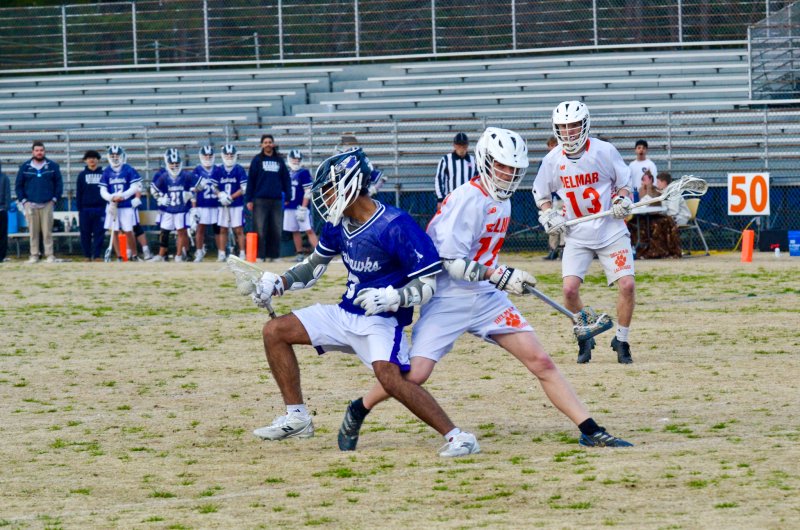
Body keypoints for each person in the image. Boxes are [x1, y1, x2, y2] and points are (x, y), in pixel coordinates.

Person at [337, 128, 632, 453]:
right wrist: (501, 274)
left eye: (514, 169)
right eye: (502, 166)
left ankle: (590, 429)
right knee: (416, 374)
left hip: (485, 295)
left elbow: (480, 256)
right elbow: (446, 260)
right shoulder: (467, 199)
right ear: (486, 161)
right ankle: (359, 407)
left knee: (541, 362)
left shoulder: (500, 201)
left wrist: (498, 276)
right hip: (449, 297)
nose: (508, 174)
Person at [248, 147, 480, 458]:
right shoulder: (337, 223)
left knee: (389, 377)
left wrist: (393, 297)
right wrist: (279, 282)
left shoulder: (396, 224)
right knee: (274, 331)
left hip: (381, 319)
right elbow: (313, 266)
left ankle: (457, 436)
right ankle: (297, 417)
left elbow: (428, 283)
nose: (325, 198)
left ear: (350, 184)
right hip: (346, 312)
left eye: (329, 190)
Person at [533, 101, 636, 365]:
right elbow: (540, 194)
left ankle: (621, 340)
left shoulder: (604, 151)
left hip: (610, 229)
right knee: (568, 290)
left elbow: (625, 184)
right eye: (563, 127)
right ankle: (585, 330)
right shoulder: (553, 160)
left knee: (627, 284)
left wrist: (621, 200)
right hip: (576, 232)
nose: (568, 132)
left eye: (573, 125)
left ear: (585, 124)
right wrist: (548, 213)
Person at [15, 141, 64, 263]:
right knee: (33, 232)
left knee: (47, 231)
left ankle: (49, 255)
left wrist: (54, 199)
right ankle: (34, 255)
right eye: (37, 150)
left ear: (44, 151)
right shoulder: (25, 167)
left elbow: (59, 184)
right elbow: (18, 186)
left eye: (41, 150)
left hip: (47, 203)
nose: (39, 152)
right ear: (32, 152)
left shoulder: (52, 166)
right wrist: (24, 201)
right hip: (30, 204)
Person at [246, 134, 290, 261]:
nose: (268, 144)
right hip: (260, 199)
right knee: (260, 229)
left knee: (276, 229)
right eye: (265, 142)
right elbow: (251, 181)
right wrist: (249, 199)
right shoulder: (257, 160)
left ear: (273, 144)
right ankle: (260, 256)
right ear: (261, 145)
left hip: (276, 199)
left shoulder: (279, 160)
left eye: (270, 142)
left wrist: (288, 195)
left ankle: (274, 255)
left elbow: (286, 179)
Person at [149, 148, 193, 262]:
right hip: (167, 208)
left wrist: (190, 194)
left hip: (181, 208)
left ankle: (181, 254)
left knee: (181, 231)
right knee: (164, 231)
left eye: (176, 163)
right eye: (171, 163)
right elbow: (153, 189)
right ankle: (162, 254)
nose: (174, 165)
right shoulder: (163, 175)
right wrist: (160, 199)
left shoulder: (185, 175)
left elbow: (200, 185)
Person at [99, 145, 141, 261]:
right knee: (114, 231)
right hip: (113, 205)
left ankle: (134, 255)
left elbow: (134, 187)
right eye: (112, 155)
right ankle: (119, 256)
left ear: (121, 156)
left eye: (117, 155)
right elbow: (102, 190)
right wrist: (111, 198)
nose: (115, 158)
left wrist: (122, 196)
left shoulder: (128, 169)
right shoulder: (107, 171)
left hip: (126, 205)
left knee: (128, 230)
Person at [213, 145, 248, 260]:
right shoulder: (218, 169)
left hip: (236, 204)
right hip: (222, 204)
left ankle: (242, 253)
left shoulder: (239, 169)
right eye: (227, 155)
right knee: (223, 229)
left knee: (238, 229)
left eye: (231, 155)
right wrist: (220, 195)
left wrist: (231, 197)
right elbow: (213, 187)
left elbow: (244, 188)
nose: (229, 157)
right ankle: (222, 253)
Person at [283, 149, 318, 262]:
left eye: (298, 159)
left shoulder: (303, 172)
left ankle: (320, 254)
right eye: (294, 159)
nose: (296, 161)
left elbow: (308, 191)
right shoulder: (287, 173)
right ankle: (299, 254)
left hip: (300, 208)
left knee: (308, 230)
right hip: (290, 207)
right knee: (295, 231)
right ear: (289, 159)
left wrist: (303, 207)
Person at [190, 145, 221, 262]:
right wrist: (194, 208)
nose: (208, 158)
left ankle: (221, 253)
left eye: (210, 155)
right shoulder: (197, 170)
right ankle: (199, 252)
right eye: (205, 155)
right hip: (202, 204)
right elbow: (193, 191)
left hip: (216, 204)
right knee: (200, 229)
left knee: (217, 229)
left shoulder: (218, 169)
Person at [75, 150, 106, 261]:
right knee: (85, 234)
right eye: (89, 158)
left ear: (98, 159)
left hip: (100, 208)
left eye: (94, 157)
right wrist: (79, 209)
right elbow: (79, 193)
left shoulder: (104, 174)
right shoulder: (82, 175)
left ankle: (97, 255)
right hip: (85, 209)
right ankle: (87, 256)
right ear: (85, 160)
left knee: (99, 233)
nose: (91, 160)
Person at [434, 132, 476, 210]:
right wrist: (440, 199)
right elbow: (439, 179)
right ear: (454, 145)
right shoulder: (446, 160)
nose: (461, 148)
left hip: (468, 200)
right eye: (459, 145)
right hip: (451, 200)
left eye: (463, 145)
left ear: (467, 146)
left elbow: (477, 180)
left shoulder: (473, 160)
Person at [541, 136, 565, 261]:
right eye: (551, 145)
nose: (553, 148)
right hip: (552, 198)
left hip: (563, 197)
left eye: (556, 145)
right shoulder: (545, 162)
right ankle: (553, 249)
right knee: (552, 222)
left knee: (564, 222)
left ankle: (562, 248)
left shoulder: (564, 160)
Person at [0, 162, 10, 262]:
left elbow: (7, 193)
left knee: (2, 234)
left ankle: (1, 256)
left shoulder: (4, 178)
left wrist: (6, 207)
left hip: (1, 210)